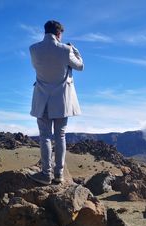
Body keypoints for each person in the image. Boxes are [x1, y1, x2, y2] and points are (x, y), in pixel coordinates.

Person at [28, 20, 84, 185]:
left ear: (45, 31)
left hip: (42, 99)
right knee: (60, 136)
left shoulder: (33, 49)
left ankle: (46, 174)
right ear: (59, 34)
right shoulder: (66, 50)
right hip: (61, 100)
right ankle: (59, 175)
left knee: (44, 136)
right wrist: (74, 50)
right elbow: (80, 66)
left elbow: (37, 67)